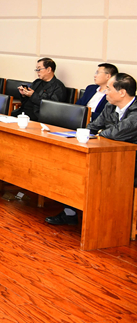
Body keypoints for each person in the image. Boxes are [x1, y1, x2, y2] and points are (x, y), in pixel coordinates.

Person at [47, 73, 137, 226]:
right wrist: (96, 133)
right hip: (107, 155)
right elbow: (93, 127)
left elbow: (116, 133)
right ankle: (70, 213)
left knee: (91, 172)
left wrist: (102, 133)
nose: (105, 92)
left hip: (131, 162)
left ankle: (105, 220)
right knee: (71, 166)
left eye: (108, 89)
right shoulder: (110, 106)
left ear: (122, 92)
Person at [12, 58, 67, 122]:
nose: (37, 71)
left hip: (38, 116)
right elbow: (25, 103)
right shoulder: (37, 82)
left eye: (39, 69)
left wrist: (33, 95)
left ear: (49, 70)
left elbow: (52, 107)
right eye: (37, 69)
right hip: (23, 113)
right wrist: (24, 95)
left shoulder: (58, 87)